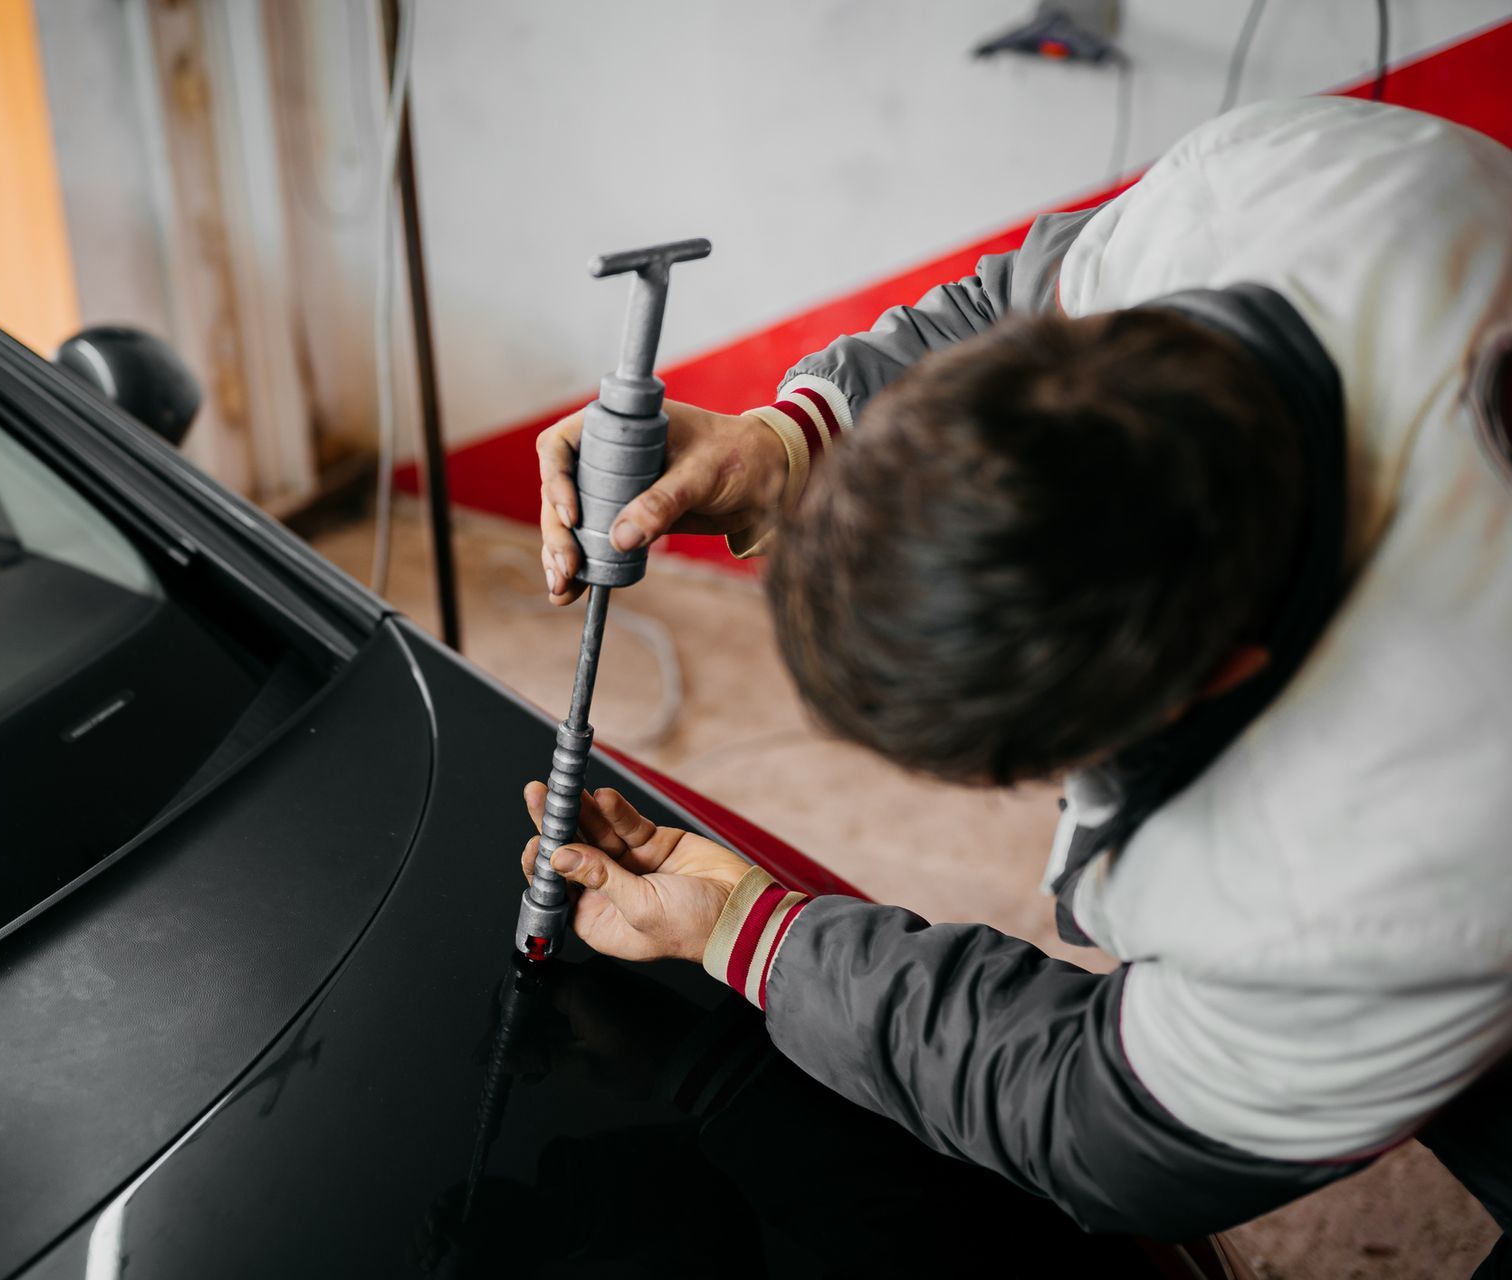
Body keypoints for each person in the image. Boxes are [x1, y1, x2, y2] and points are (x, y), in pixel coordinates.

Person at [523, 95, 1512, 1269]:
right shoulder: (1271, 191)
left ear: (1213, 676)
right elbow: (1015, 313)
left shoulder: (1377, 884)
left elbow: (1109, 1119)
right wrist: (792, 443)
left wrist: (759, 935)